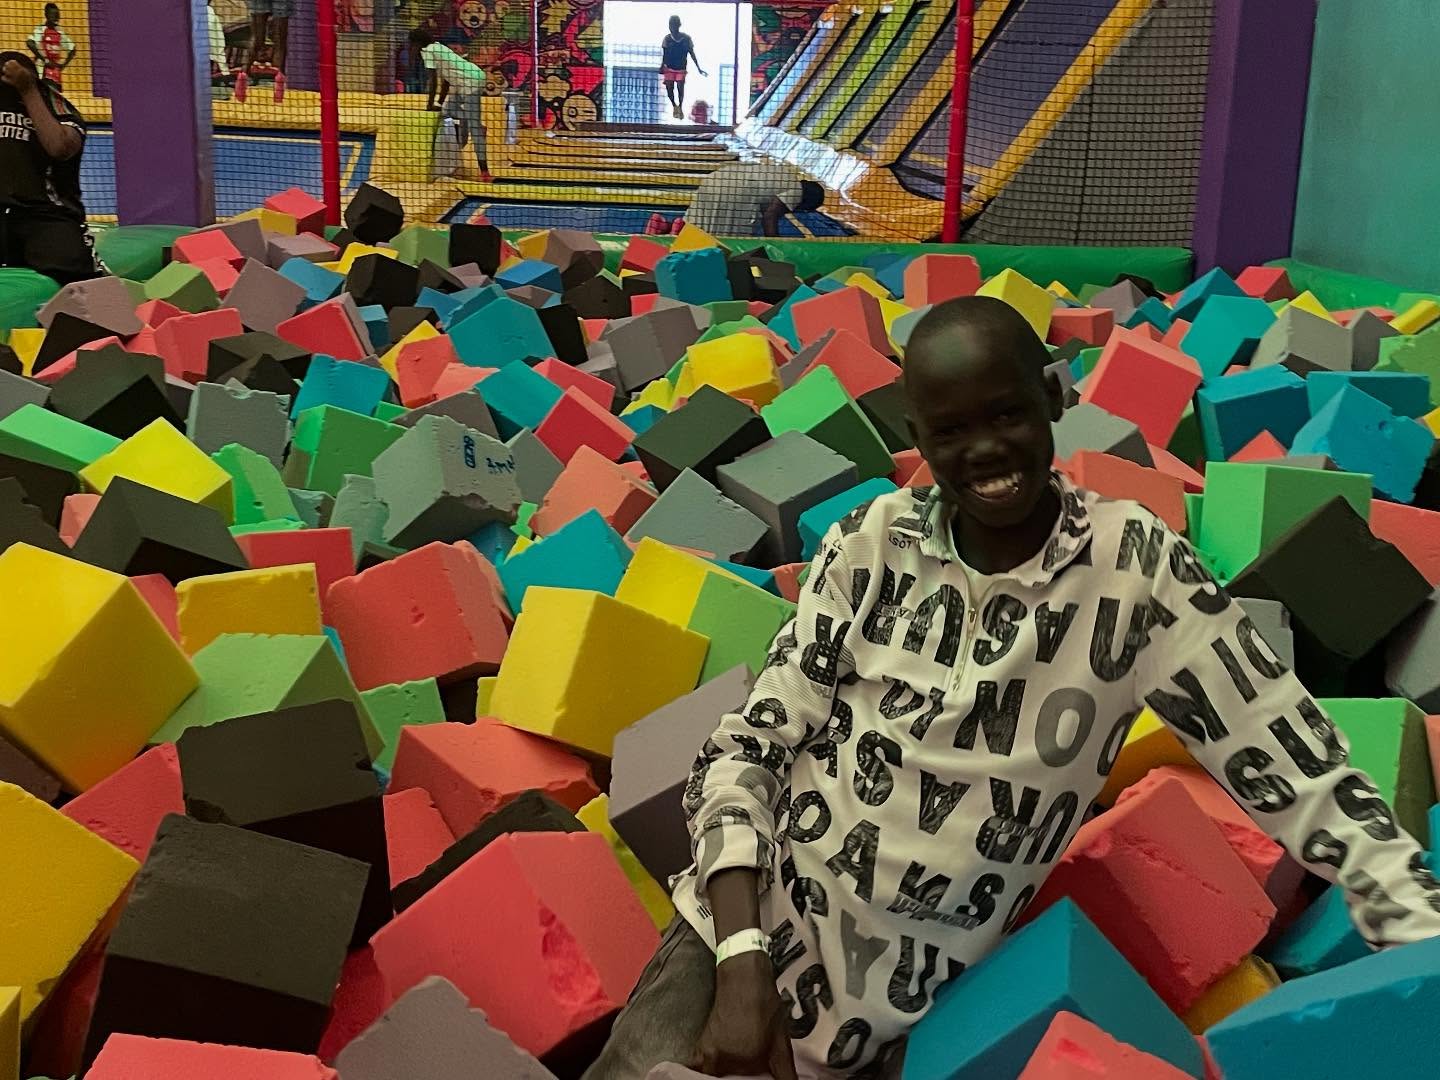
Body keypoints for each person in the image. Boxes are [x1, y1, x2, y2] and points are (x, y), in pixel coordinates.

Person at [582, 295, 1440, 1079]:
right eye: (951, 430)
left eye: (1007, 414)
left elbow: (1287, 755)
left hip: (901, 1019)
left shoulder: (1132, 572)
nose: (985, 449)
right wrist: (740, 962)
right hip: (735, 948)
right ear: (916, 432)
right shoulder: (871, 544)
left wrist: (1417, 932)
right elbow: (743, 751)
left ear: (1054, 398)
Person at [0, 52, 101, 284]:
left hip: (48, 216)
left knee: (78, 276)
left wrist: (28, 91)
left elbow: (60, 147)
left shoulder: (55, 105)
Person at [409, 28, 490, 183]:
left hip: (470, 83)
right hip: (474, 76)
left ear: (417, 43)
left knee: (474, 130)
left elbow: (433, 81)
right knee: (447, 111)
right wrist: (438, 103)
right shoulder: (439, 46)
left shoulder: (427, 51)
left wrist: (429, 105)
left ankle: (485, 171)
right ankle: (453, 160)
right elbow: (446, 80)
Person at [685, 160, 824, 238]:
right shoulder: (797, 190)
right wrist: (775, 245)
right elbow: (770, 216)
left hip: (715, 179)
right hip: (735, 192)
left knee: (699, 228)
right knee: (726, 239)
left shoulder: (784, 173)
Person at [660, 15, 705, 121]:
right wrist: (662, 66)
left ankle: (680, 106)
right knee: (669, 90)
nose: (673, 27)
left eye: (675, 25)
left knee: (680, 88)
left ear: (679, 25)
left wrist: (699, 68)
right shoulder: (667, 39)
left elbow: (692, 53)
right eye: (671, 25)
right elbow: (664, 54)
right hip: (669, 68)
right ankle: (674, 106)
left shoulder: (686, 38)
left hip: (681, 68)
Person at [26, 4, 74, 89]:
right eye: (54, 15)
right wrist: (45, 60)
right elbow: (30, 43)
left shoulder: (60, 32)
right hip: (41, 71)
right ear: (46, 15)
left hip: (55, 72)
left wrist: (63, 65)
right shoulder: (40, 30)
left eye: (57, 15)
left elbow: (73, 49)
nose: (56, 18)